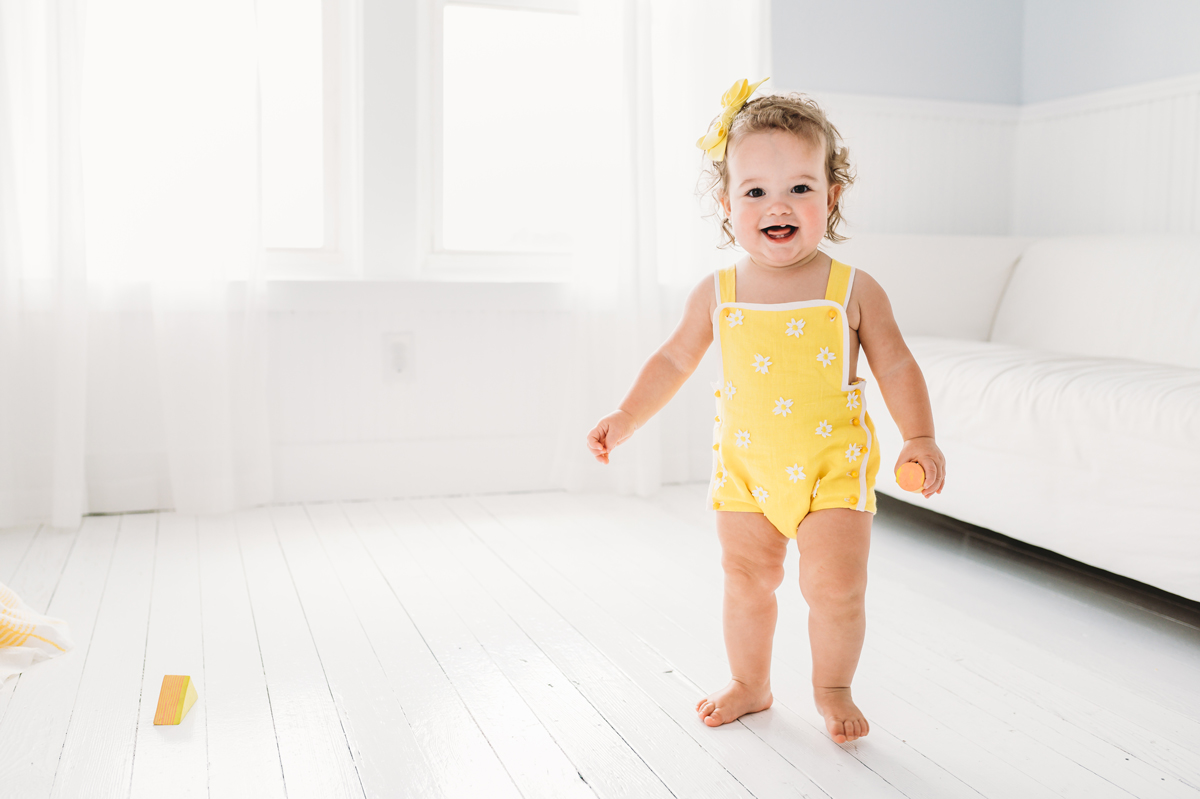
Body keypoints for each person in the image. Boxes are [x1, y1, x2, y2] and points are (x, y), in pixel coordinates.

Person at [585, 79, 947, 744]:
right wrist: (627, 416)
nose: (776, 204)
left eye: (800, 188)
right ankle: (751, 682)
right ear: (727, 204)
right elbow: (672, 361)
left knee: (835, 586)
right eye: (755, 191)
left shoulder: (852, 289)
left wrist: (918, 435)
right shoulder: (717, 292)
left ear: (831, 197)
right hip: (747, 470)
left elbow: (895, 364)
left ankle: (833, 684)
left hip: (830, 469)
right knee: (745, 582)